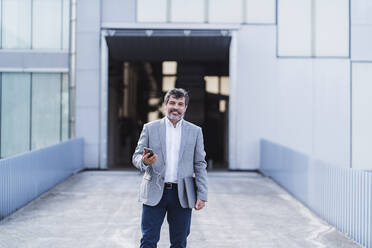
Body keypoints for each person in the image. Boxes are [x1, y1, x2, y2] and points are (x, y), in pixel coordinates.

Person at [132, 88, 208, 248]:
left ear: (186, 107)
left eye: (180, 104)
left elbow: (200, 164)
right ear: (165, 104)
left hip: (183, 194)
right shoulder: (150, 128)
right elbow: (136, 156)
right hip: (154, 191)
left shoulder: (195, 132)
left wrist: (202, 194)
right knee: (148, 241)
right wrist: (145, 162)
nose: (176, 107)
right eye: (172, 103)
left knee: (179, 243)